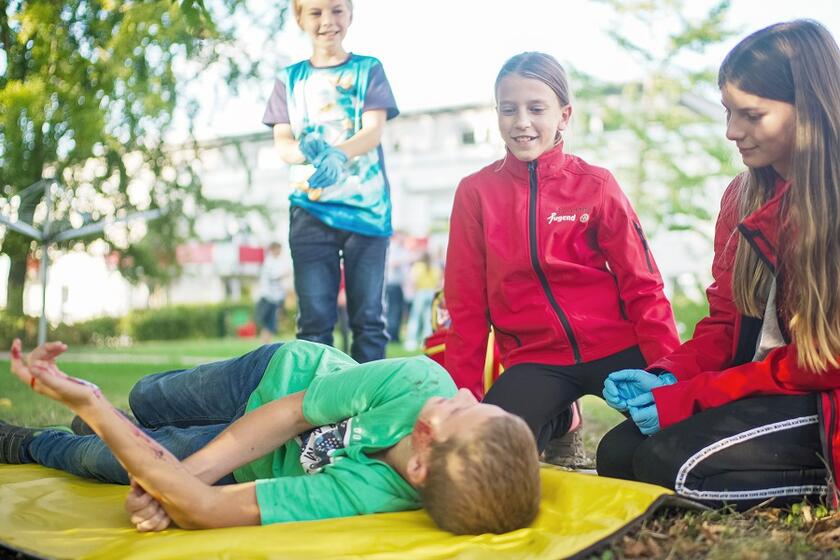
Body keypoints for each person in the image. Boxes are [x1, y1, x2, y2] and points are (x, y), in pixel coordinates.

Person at [597, 20, 840, 510]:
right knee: (618, 453)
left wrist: (691, 399)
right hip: (761, 386)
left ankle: (823, 479)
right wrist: (670, 376)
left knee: (669, 464)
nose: (732, 132)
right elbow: (726, 323)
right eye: (729, 111)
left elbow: (822, 361)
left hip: (820, 394)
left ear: (810, 108)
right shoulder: (742, 197)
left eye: (752, 115)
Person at [1, 338, 540, 534]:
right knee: (149, 397)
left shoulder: (371, 494)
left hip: (261, 462)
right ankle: (135, 421)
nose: (468, 394)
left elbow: (207, 509)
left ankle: (26, 442)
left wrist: (93, 408)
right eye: (480, 403)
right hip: (274, 382)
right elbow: (289, 415)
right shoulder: (422, 382)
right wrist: (176, 479)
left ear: (420, 469)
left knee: (104, 459)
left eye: (464, 412)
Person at [444, 52, 680, 459]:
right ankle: (561, 418)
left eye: (536, 108)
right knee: (484, 456)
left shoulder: (597, 185)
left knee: (667, 446)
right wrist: (464, 394)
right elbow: (465, 305)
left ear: (564, 115)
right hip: (535, 361)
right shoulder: (475, 193)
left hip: (618, 349)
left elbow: (643, 286)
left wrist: (669, 372)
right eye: (508, 109)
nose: (521, 122)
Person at [262, 0, 398, 363]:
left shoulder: (369, 70)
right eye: (316, 12)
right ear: (299, 17)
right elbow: (283, 144)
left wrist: (338, 154)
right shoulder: (288, 79)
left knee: (368, 320)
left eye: (337, 10)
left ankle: (371, 408)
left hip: (367, 214)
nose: (327, 21)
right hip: (310, 213)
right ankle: (318, 411)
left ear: (351, 14)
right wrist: (306, 151)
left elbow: (372, 132)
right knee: (314, 324)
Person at [404, 251, 442, 352]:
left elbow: (413, 281)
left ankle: (411, 341)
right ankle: (425, 341)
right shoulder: (435, 268)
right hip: (431, 293)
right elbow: (439, 282)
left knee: (415, 317)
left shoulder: (417, 267)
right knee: (427, 319)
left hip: (420, 293)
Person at [255, 241, 292, 343]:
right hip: (269, 298)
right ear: (273, 249)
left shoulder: (274, 262)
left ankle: (266, 343)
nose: (280, 252)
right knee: (268, 324)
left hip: (274, 298)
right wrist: (286, 273)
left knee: (270, 324)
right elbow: (274, 276)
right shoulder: (269, 262)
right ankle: (264, 344)